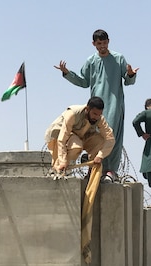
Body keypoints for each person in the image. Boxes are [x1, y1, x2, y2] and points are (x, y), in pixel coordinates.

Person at [56, 29, 137, 182]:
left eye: (104, 43)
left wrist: (131, 74)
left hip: (114, 103)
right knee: (93, 136)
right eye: (99, 43)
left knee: (111, 135)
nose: (102, 46)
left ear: (109, 41)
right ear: (94, 44)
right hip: (95, 106)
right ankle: (94, 168)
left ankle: (110, 170)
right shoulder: (91, 61)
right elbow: (83, 81)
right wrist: (67, 73)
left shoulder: (119, 59)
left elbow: (128, 80)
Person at [45, 97, 115, 175]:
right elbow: (62, 139)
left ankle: (91, 172)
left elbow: (110, 139)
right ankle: (60, 169)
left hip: (82, 136)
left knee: (100, 142)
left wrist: (100, 156)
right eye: (94, 114)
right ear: (87, 109)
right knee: (76, 146)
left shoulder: (99, 119)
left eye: (99, 114)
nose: (97, 117)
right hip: (62, 134)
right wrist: (63, 161)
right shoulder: (73, 114)